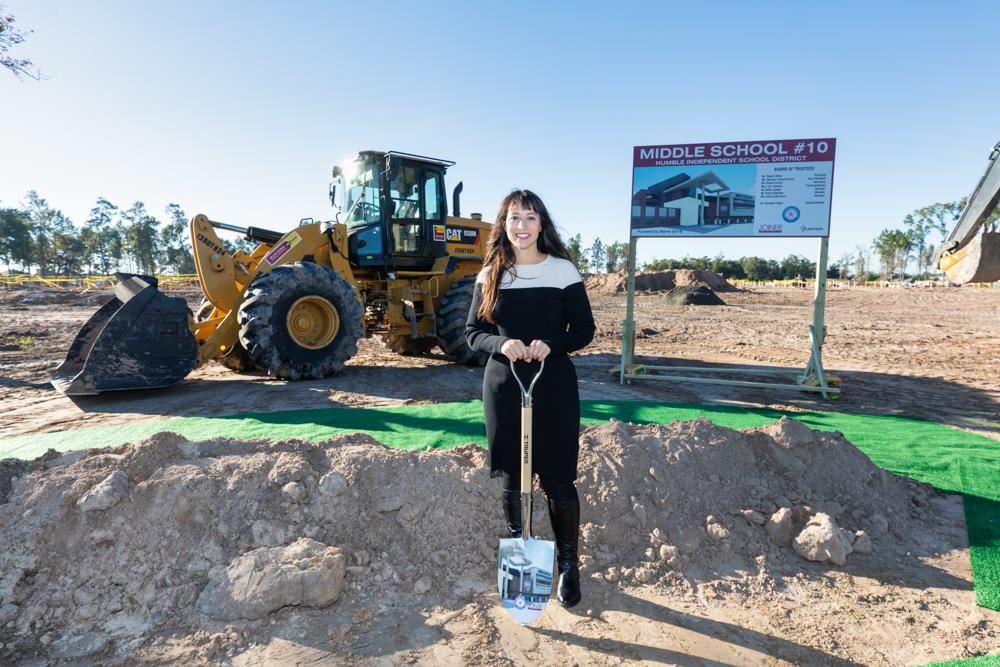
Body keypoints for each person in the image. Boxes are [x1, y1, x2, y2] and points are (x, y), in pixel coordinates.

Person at [465, 189, 595, 608]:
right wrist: (501, 345)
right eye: (514, 218)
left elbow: (584, 330)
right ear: (504, 225)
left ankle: (569, 566)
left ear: (542, 225)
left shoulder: (562, 271)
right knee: (513, 476)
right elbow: (471, 333)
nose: (522, 226)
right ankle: (521, 552)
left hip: (552, 382)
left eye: (531, 218)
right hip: (504, 384)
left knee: (557, 476)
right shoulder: (490, 275)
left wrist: (550, 345)